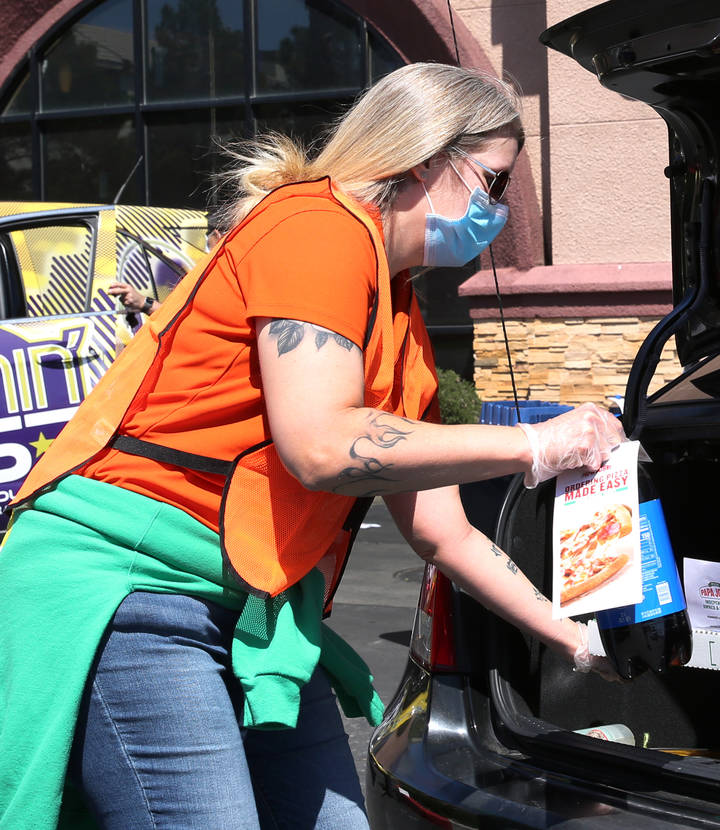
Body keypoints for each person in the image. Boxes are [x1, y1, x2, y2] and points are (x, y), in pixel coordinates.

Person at [0, 62, 624, 830]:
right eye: (493, 184)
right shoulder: (317, 227)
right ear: (427, 157)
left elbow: (443, 530)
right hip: (136, 590)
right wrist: (534, 443)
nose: (497, 212)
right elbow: (323, 446)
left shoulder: (402, 325)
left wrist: (575, 639)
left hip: (254, 613)